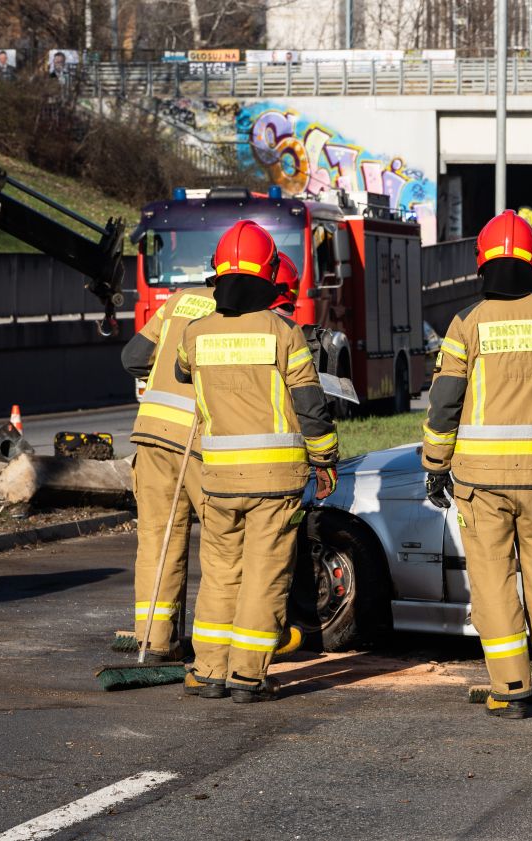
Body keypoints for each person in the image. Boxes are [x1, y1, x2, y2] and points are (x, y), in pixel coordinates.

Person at [422, 209, 532, 719]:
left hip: (480, 484)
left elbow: (445, 402)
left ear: (482, 262)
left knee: (494, 581)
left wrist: (435, 462)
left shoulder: (466, 324)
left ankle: (512, 688)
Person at [177, 221, 338, 704]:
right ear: (268, 274)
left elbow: (185, 372)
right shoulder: (285, 333)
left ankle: (209, 671)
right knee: (265, 574)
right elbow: (312, 407)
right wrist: (325, 460)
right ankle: (248, 676)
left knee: (221, 573)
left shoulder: (195, 334)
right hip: (276, 481)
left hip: (219, 479)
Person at [119, 266, 219, 665]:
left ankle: (155, 642)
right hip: (199, 442)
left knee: (157, 542)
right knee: (222, 545)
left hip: (152, 435)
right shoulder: (245, 314)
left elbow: (132, 358)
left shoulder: (179, 299)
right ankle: (219, 647)